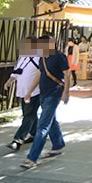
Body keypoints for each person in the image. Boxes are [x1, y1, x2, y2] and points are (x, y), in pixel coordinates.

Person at [20, 35, 70, 169]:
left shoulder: (59, 56)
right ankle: (58, 144)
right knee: (51, 120)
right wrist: (30, 91)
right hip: (43, 93)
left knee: (42, 126)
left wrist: (66, 92)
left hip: (54, 93)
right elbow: (39, 74)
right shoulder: (42, 58)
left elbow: (67, 74)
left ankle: (32, 158)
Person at [4, 37, 41, 151]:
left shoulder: (40, 57)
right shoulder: (23, 57)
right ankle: (35, 133)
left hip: (34, 92)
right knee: (29, 114)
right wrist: (9, 81)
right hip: (22, 91)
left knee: (28, 115)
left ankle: (18, 140)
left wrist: (30, 91)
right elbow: (17, 71)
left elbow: (41, 73)